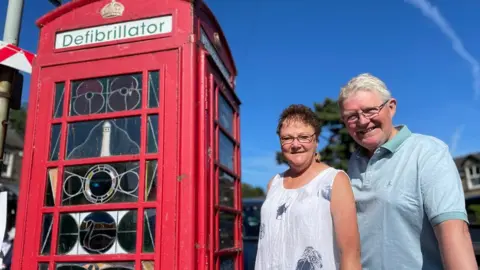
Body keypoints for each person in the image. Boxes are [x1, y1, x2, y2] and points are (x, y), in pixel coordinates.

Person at [338, 73, 478, 269]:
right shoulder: (354, 163)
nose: (362, 121)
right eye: (351, 116)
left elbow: (455, 233)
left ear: (391, 107)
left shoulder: (428, 152)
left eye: (370, 110)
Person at [255, 104, 362, 270]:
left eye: (304, 137)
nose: (296, 144)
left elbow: (350, 254)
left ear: (316, 141)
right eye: (287, 138)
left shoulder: (334, 180)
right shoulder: (274, 183)